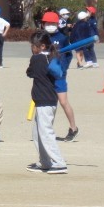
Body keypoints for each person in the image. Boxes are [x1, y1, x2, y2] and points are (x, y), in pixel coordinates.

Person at [26, 31, 67, 174]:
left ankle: (59, 162)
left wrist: (36, 58)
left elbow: (29, 72)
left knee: (45, 132)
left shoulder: (37, 59)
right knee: (37, 133)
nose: (32, 48)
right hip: (47, 100)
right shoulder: (52, 57)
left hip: (44, 100)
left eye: (34, 46)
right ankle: (45, 162)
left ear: (42, 46)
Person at [42, 11, 79, 142]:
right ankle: (46, 129)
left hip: (59, 75)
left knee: (63, 101)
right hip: (45, 75)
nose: (50, 25)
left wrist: (62, 69)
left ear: (57, 24)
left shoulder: (62, 38)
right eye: (47, 23)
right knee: (48, 103)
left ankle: (73, 128)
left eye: (52, 23)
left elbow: (68, 55)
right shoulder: (42, 37)